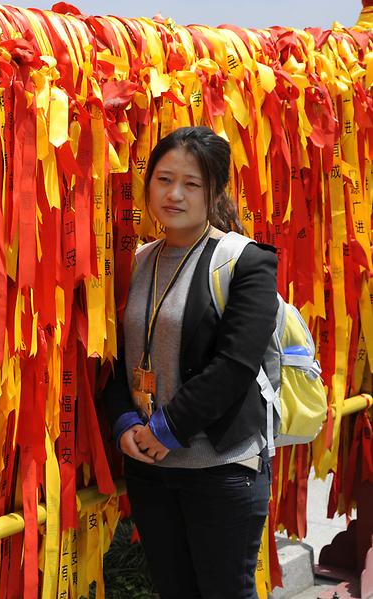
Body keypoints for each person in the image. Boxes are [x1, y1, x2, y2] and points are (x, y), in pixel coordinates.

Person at [104, 126, 279, 599]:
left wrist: (167, 429)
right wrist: (124, 421)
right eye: (163, 179)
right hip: (151, 472)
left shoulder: (246, 262)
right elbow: (117, 358)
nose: (174, 194)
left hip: (221, 469)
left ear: (215, 190)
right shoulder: (137, 261)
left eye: (192, 183)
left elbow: (234, 365)